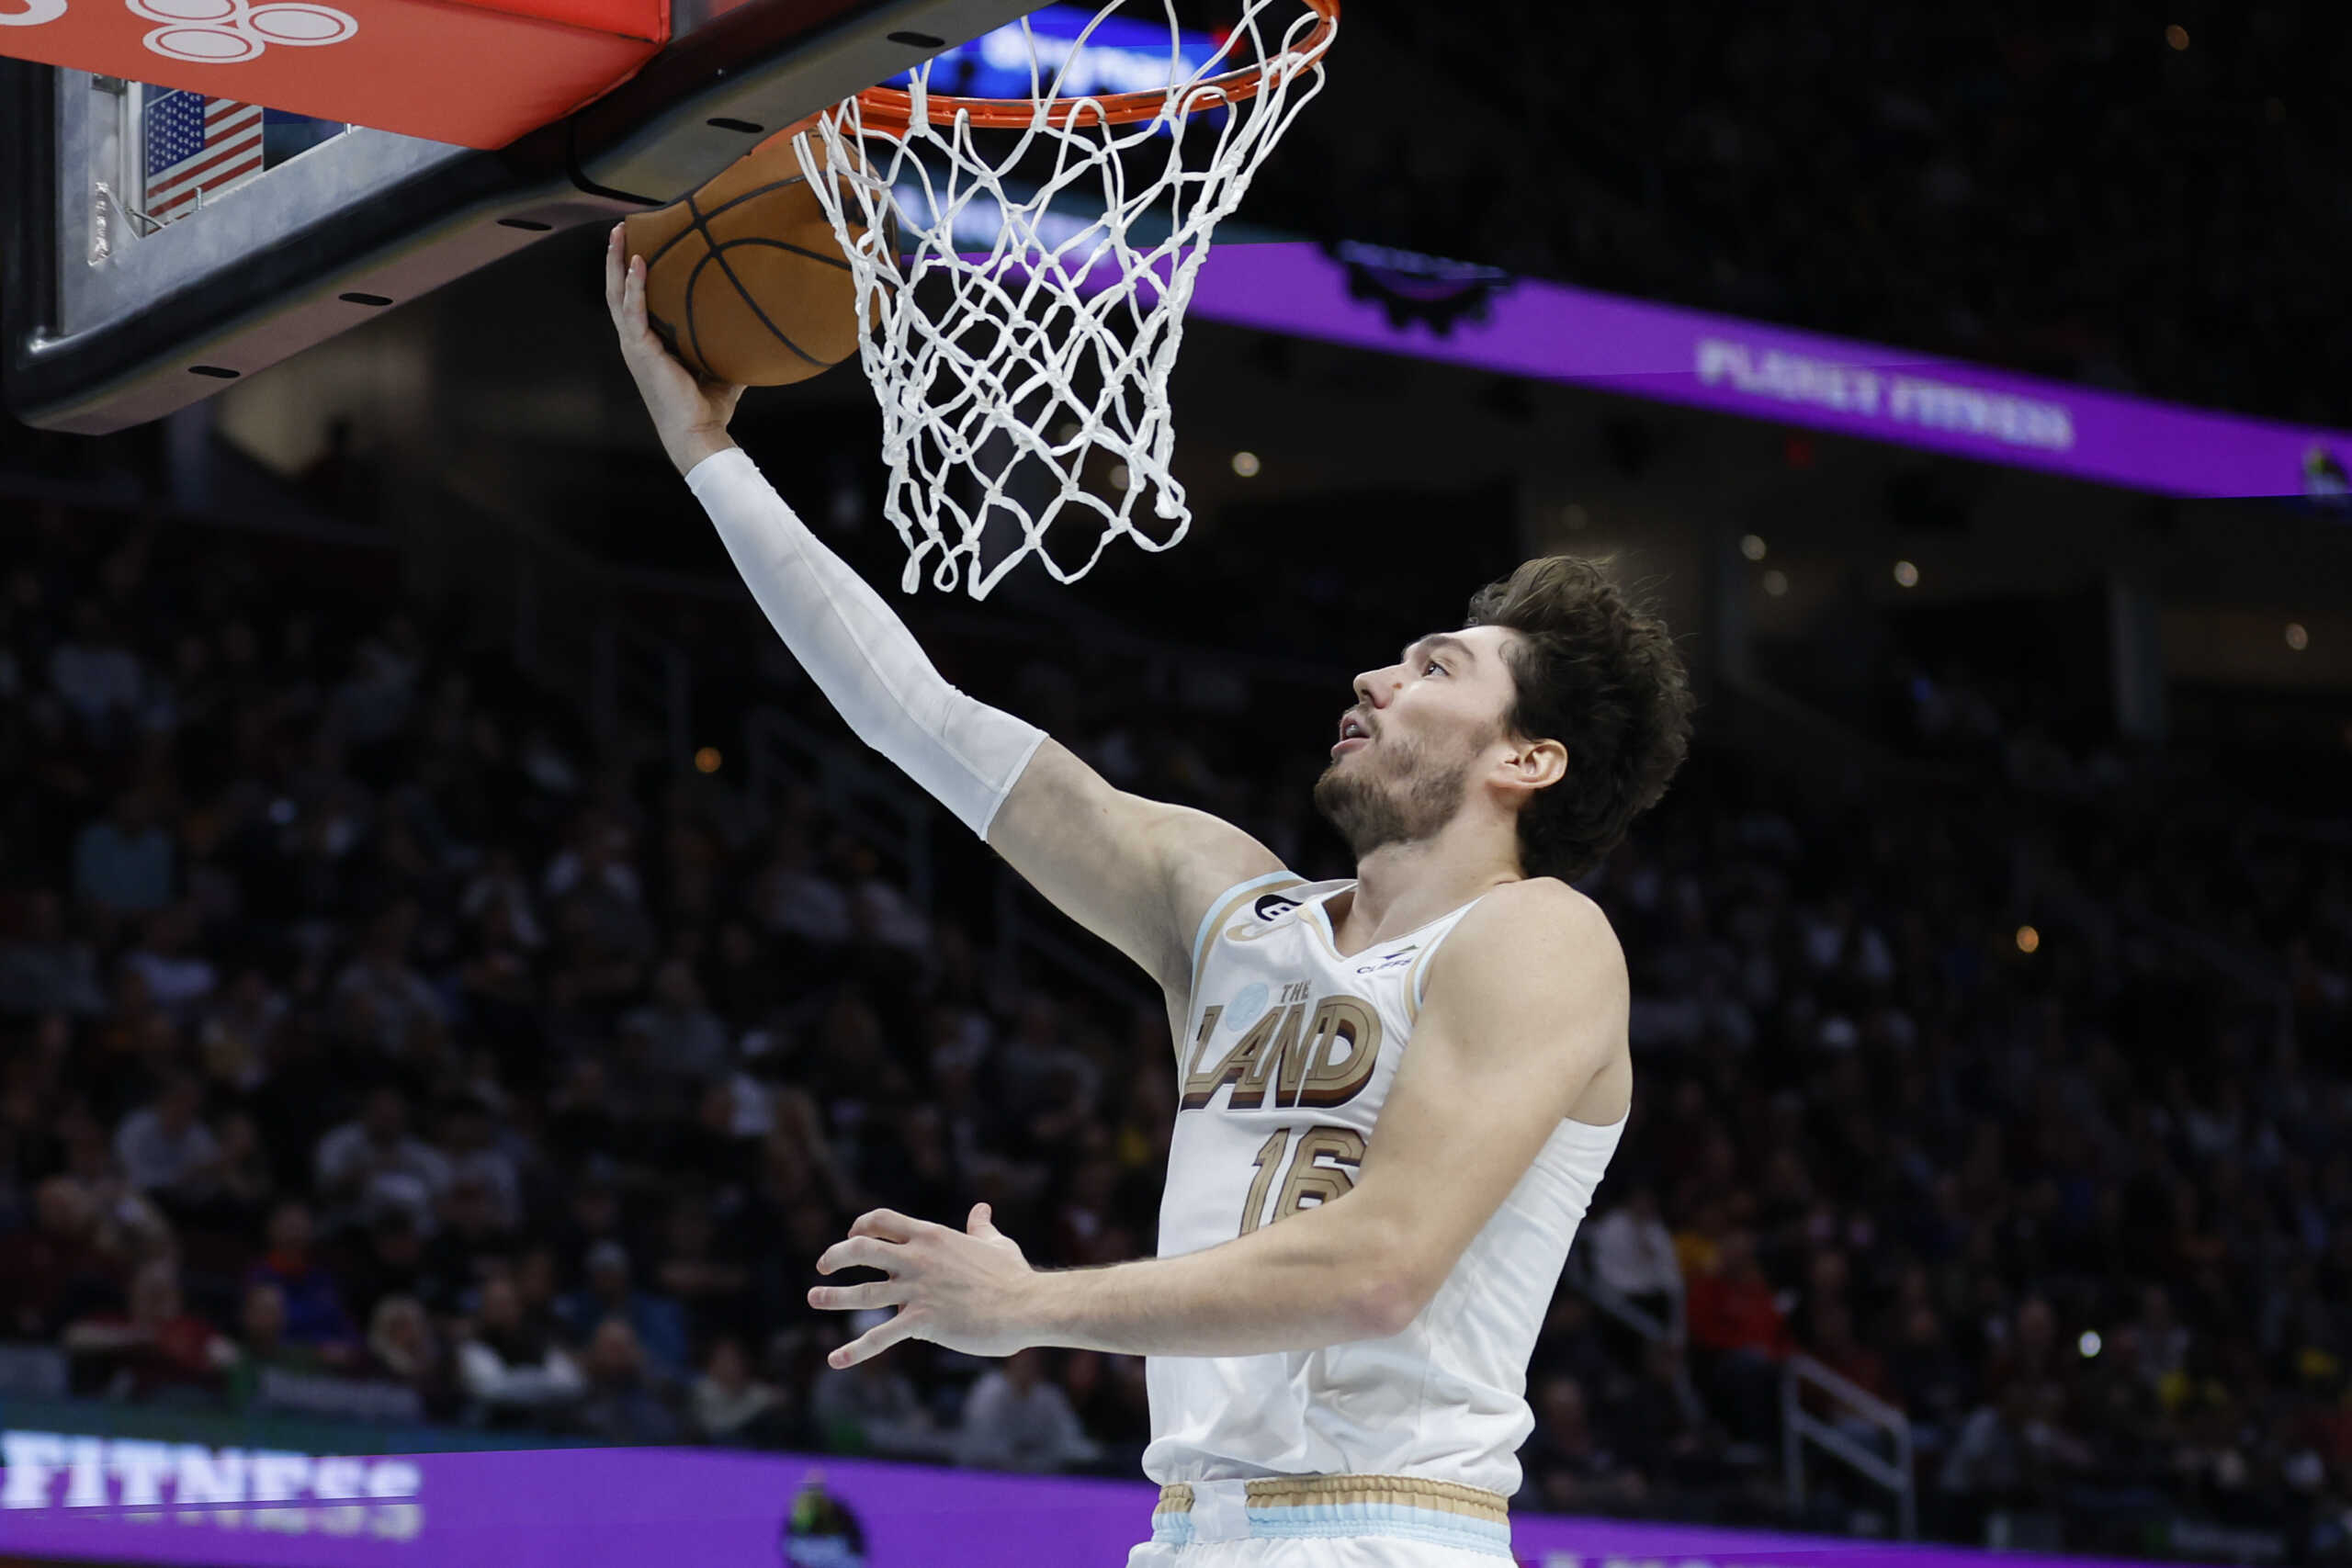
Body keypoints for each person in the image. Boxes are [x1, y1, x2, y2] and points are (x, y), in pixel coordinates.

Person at [607, 224, 1693, 1566]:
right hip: (1188, 1530)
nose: (1372, 677)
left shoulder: (1540, 937)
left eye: (1432, 667)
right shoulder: (1233, 910)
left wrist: (1030, 1307)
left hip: (1382, 1534)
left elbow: (1380, 1269)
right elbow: (920, 720)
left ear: (1528, 760)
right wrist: (709, 458)